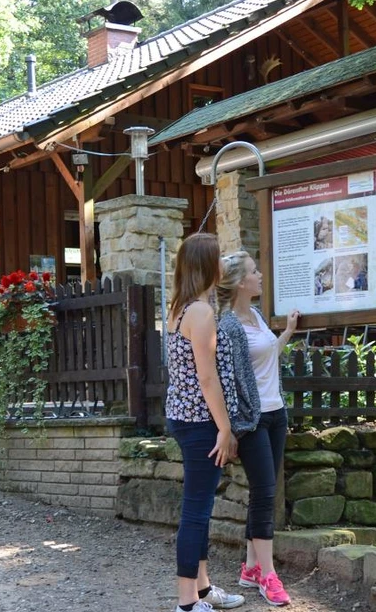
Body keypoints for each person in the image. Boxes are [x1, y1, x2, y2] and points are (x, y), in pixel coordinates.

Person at [164, 233, 246, 612]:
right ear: (206, 266)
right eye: (218, 259)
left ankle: (202, 589)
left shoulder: (180, 307)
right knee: (196, 509)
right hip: (199, 421)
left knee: (199, 505)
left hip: (184, 417)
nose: (222, 266)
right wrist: (225, 427)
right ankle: (186, 602)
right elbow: (207, 377)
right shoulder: (201, 313)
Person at [217, 251, 300, 606]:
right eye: (254, 271)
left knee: (264, 492)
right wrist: (230, 429)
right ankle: (269, 576)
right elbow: (226, 381)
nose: (261, 275)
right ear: (239, 282)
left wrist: (288, 333)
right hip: (251, 421)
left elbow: (267, 357)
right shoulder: (227, 325)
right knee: (265, 494)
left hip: (276, 414)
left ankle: (251, 569)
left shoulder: (255, 315)